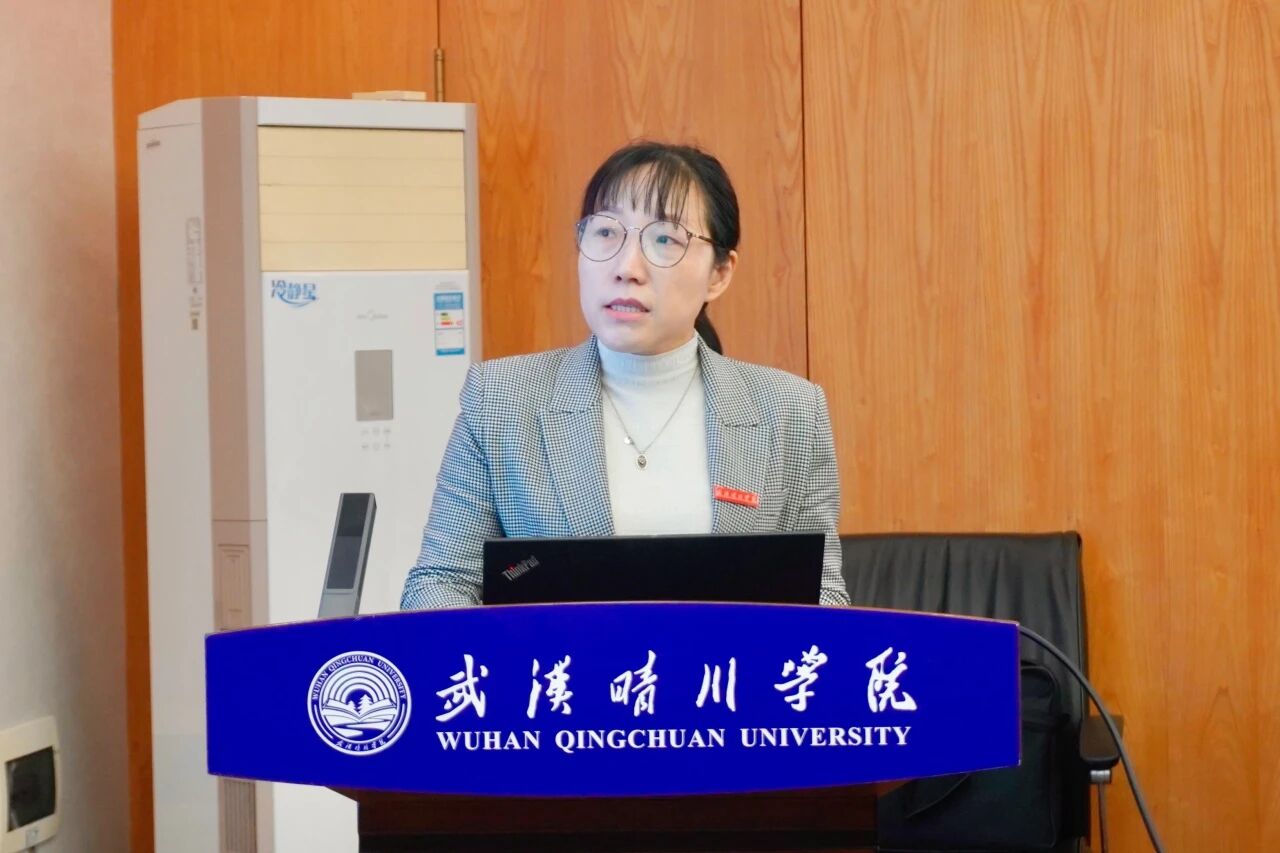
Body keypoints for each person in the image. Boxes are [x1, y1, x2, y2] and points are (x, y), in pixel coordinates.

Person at [400, 141, 850, 608]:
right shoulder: (501, 399)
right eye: (606, 232)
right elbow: (440, 583)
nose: (626, 268)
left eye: (665, 239)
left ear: (719, 273)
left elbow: (822, 595)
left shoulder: (791, 411)